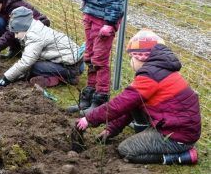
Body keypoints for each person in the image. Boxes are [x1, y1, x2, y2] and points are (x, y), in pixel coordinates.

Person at [75, 29, 201, 165]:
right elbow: (131, 105)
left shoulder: (151, 77)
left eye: (132, 57)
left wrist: (89, 119)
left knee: (127, 150)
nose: (131, 61)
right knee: (136, 105)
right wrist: (111, 129)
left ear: (141, 57)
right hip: (176, 127)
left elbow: (119, 104)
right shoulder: (159, 70)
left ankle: (184, 156)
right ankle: (158, 139)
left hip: (176, 136)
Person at [0, 7, 83, 88]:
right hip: (72, 62)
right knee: (32, 65)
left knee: (33, 67)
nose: (16, 36)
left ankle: (66, 78)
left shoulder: (34, 37)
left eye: (17, 32)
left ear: (24, 28)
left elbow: (26, 62)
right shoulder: (35, 27)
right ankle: (62, 75)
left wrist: (6, 78)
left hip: (72, 67)